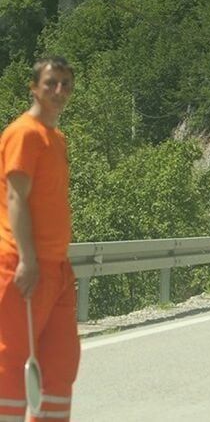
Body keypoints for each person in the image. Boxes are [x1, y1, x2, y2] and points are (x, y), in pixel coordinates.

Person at [0, 56, 79, 422]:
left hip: (57, 268)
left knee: (60, 364)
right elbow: (15, 197)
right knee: (10, 362)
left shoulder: (56, 138)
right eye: (51, 83)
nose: (59, 90)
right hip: (22, 265)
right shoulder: (24, 133)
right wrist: (28, 260)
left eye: (65, 83)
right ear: (34, 88)